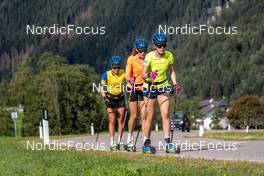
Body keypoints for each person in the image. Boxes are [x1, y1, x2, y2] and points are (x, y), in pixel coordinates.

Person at [141, 33, 181, 153]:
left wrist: (175, 83)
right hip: (150, 86)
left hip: (163, 85)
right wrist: (149, 75)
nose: (162, 48)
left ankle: (168, 143)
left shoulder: (169, 55)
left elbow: (172, 71)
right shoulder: (149, 57)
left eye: (164, 45)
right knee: (150, 116)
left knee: (165, 113)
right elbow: (143, 74)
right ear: (155, 46)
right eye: (159, 46)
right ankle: (146, 143)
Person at [125, 39, 148, 150]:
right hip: (133, 88)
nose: (143, 53)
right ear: (137, 50)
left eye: (145, 50)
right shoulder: (131, 59)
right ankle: (129, 138)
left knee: (144, 115)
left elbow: (150, 72)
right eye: (141, 51)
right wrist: (130, 80)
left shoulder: (148, 59)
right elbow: (127, 76)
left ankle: (145, 140)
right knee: (134, 115)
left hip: (144, 88)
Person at [100, 56, 126, 150]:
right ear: (111, 67)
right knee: (112, 120)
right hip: (109, 98)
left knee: (121, 120)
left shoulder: (124, 73)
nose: (117, 69)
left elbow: (130, 82)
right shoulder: (106, 74)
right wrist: (104, 98)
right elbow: (101, 87)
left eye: (118, 67)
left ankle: (119, 141)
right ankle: (112, 141)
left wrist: (131, 83)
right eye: (115, 67)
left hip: (120, 98)